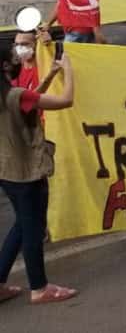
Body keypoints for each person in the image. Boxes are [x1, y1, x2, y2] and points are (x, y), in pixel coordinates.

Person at [0, 49, 78, 305]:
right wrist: (68, 71)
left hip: (7, 171)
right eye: (13, 55)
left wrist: (50, 74)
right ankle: (39, 287)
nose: (18, 58)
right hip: (26, 172)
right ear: (4, 66)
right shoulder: (15, 94)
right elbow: (66, 100)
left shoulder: (9, 95)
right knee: (33, 228)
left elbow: (31, 101)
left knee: (22, 225)